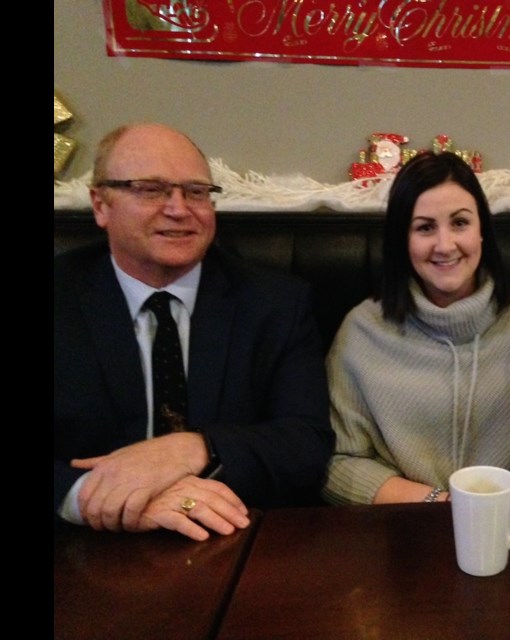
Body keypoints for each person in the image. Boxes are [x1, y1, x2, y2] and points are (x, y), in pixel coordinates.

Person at [54, 123, 335, 541]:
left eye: (197, 192)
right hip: (85, 546)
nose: (179, 208)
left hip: (235, 539)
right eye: (150, 190)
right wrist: (93, 497)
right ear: (101, 205)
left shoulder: (276, 303)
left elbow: (306, 442)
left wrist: (193, 448)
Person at [322, 151, 510, 505]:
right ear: (402, 240)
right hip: (398, 531)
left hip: (509, 528)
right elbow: (337, 464)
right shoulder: (360, 331)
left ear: (482, 232)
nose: (445, 245)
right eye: (425, 227)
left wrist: (494, 510)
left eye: (460, 223)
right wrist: (441, 504)